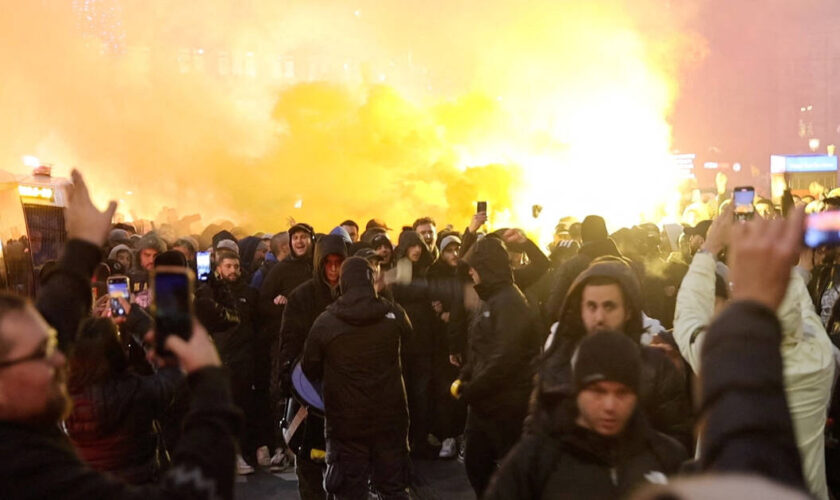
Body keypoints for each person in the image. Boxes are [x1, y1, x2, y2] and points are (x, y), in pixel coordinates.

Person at [0, 169, 241, 499]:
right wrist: (209, 381)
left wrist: (82, 248)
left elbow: (52, 317)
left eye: (53, 344)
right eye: (43, 352)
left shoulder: (24, 404)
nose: (60, 356)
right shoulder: (25, 471)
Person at [673, 205, 833, 499]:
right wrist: (777, 263)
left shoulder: (724, 359)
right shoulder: (820, 358)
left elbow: (688, 318)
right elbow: (803, 307)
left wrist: (710, 247)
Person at [485, 331, 687, 499]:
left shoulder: (667, 457)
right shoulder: (535, 460)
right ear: (577, 391)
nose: (610, 405)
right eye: (598, 391)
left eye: (622, 393)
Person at [542, 257, 693, 448]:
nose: (599, 318)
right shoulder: (558, 363)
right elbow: (537, 436)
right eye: (591, 306)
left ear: (628, 311)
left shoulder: (656, 367)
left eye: (609, 306)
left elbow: (676, 437)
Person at [302, 257, 412, 499]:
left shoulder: (326, 322)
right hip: (390, 418)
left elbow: (309, 367)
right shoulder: (393, 313)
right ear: (371, 280)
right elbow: (411, 341)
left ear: (343, 283)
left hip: (345, 423)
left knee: (350, 492)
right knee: (394, 488)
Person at [450, 236, 542, 497]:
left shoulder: (510, 302)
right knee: (476, 464)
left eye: (474, 266)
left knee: (503, 470)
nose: (470, 272)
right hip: (486, 404)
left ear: (487, 267)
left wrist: (473, 388)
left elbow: (504, 357)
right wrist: (467, 372)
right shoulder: (492, 299)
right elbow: (483, 348)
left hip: (504, 405)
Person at [65, 318, 183, 484]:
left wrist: (89, 326)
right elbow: (173, 371)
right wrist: (135, 320)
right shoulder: (136, 392)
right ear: (114, 349)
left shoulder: (64, 398)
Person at [277, 233, 348, 500]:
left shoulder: (354, 294)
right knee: (308, 461)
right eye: (327, 263)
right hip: (308, 390)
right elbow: (289, 343)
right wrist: (288, 383)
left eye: (338, 263)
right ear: (319, 263)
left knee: (344, 465)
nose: (332, 269)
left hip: (345, 393)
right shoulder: (302, 297)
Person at [194, 250, 261, 475]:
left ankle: (240, 453)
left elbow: (256, 325)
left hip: (243, 361)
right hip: (216, 358)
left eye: (236, 266)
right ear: (218, 268)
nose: (232, 271)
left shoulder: (250, 293)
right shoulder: (206, 293)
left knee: (241, 408)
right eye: (227, 266)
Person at [391, 230, 438, 456]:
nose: (417, 250)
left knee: (422, 393)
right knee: (405, 395)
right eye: (412, 246)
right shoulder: (397, 274)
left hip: (424, 343)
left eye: (419, 246)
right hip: (403, 344)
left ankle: (420, 439)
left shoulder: (428, 272)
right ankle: (405, 440)